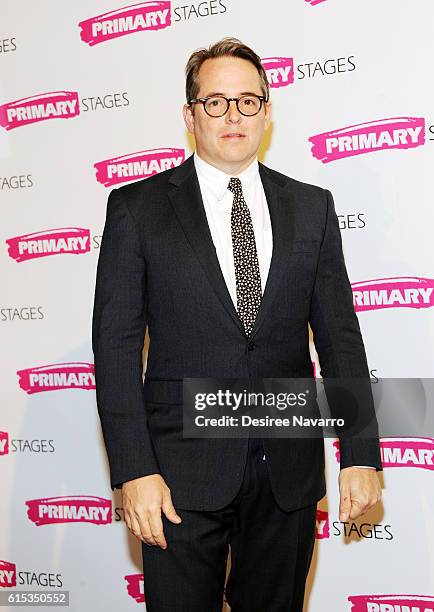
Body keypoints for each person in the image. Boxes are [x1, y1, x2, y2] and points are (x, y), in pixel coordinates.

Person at [92, 37, 383, 612]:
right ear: (189, 114)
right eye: (216, 102)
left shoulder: (313, 207)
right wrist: (134, 471)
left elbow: (340, 339)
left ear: (267, 112)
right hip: (178, 477)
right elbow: (116, 350)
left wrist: (360, 453)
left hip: (287, 473)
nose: (233, 116)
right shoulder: (137, 208)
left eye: (248, 101)